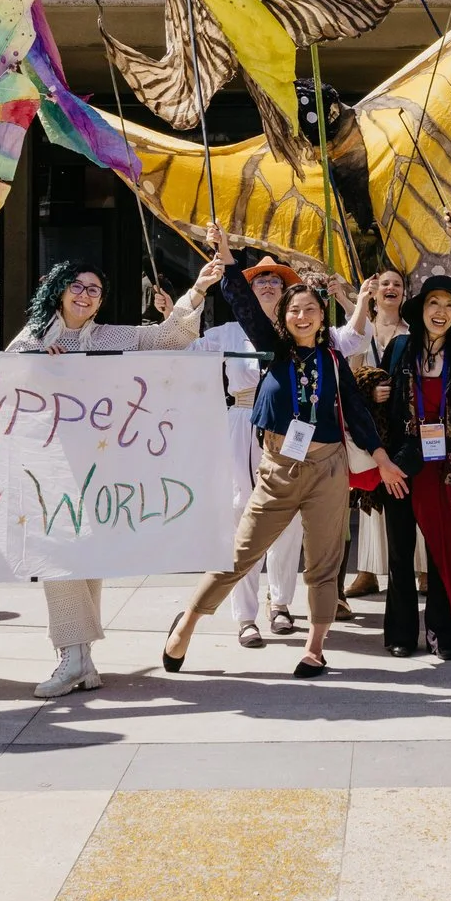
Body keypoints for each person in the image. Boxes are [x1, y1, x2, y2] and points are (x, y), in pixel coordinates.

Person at [164, 226, 386, 678]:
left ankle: (314, 646)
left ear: (321, 317)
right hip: (278, 467)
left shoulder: (334, 358)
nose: (302, 317)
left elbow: (358, 413)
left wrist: (380, 455)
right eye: (295, 311)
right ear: (283, 319)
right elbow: (245, 306)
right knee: (240, 551)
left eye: (310, 310)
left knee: (323, 562)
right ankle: (188, 621)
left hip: (328, 470)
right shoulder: (275, 351)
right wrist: (226, 262)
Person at [9, 255, 212, 694]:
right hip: (47, 466)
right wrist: (37, 363)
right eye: (77, 287)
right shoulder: (32, 338)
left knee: (86, 561)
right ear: (60, 291)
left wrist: (195, 291)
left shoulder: (109, 336)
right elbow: (3, 381)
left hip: (102, 467)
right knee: (55, 555)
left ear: (100, 302)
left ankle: (78, 659)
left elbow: (169, 339)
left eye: (93, 290)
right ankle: (74, 656)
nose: (84, 295)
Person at [191, 256, 305, 650]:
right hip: (240, 421)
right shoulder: (226, 332)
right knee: (241, 518)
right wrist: (186, 304)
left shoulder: (299, 330)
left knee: (288, 520)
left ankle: (283, 604)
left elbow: (350, 342)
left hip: (287, 431)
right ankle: (245, 617)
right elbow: (182, 350)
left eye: (275, 280)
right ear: (248, 290)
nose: (269, 286)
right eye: (260, 281)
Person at [374, 275, 451, 659]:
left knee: (443, 551)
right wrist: (375, 391)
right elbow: (378, 401)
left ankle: (443, 633)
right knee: (400, 554)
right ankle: (402, 633)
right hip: (401, 465)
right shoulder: (400, 348)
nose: (442, 312)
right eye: (434, 304)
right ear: (421, 311)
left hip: (444, 469)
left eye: (450, 306)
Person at [335, 269, 409, 603]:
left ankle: (418, 569)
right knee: (369, 493)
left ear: (404, 293)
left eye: (397, 284)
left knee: (406, 490)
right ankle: (366, 571)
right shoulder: (360, 331)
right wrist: (369, 388)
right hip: (371, 424)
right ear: (373, 293)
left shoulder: (413, 330)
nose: (390, 288)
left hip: (405, 424)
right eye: (384, 284)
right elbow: (349, 378)